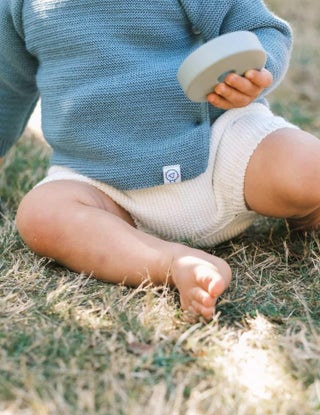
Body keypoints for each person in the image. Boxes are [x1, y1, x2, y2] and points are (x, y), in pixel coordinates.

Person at [1, 0, 320, 321]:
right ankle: (170, 262)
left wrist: (256, 74)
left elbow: (262, 29)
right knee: (41, 215)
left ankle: (307, 209)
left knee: (308, 165)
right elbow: (7, 86)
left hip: (218, 147)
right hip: (104, 186)